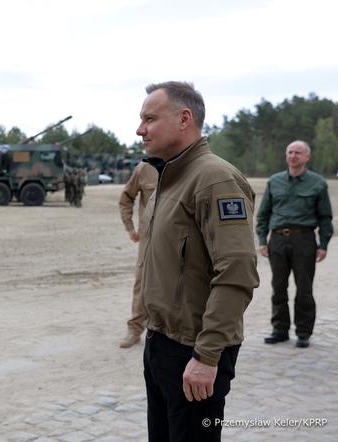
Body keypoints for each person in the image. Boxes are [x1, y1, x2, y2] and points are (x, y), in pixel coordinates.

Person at [137, 81, 259, 441]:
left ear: (184, 119)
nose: (140, 129)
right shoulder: (171, 175)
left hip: (194, 348)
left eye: (149, 118)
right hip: (162, 342)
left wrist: (207, 357)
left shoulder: (212, 179)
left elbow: (237, 273)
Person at [256, 140, 333, 348]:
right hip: (278, 240)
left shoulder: (317, 183)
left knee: (304, 289)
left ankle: (303, 332)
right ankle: (279, 330)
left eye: (298, 152)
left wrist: (323, 244)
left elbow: (325, 217)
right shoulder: (275, 181)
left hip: (305, 240)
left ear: (307, 157)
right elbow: (263, 214)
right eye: (290, 152)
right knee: (278, 287)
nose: (293, 156)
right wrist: (263, 240)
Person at [117, 160, 157, 348]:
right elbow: (126, 198)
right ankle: (135, 328)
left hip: (183, 238)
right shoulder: (144, 168)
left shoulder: (190, 165)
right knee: (142, 282)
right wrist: (130, 227)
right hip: (150, 238)